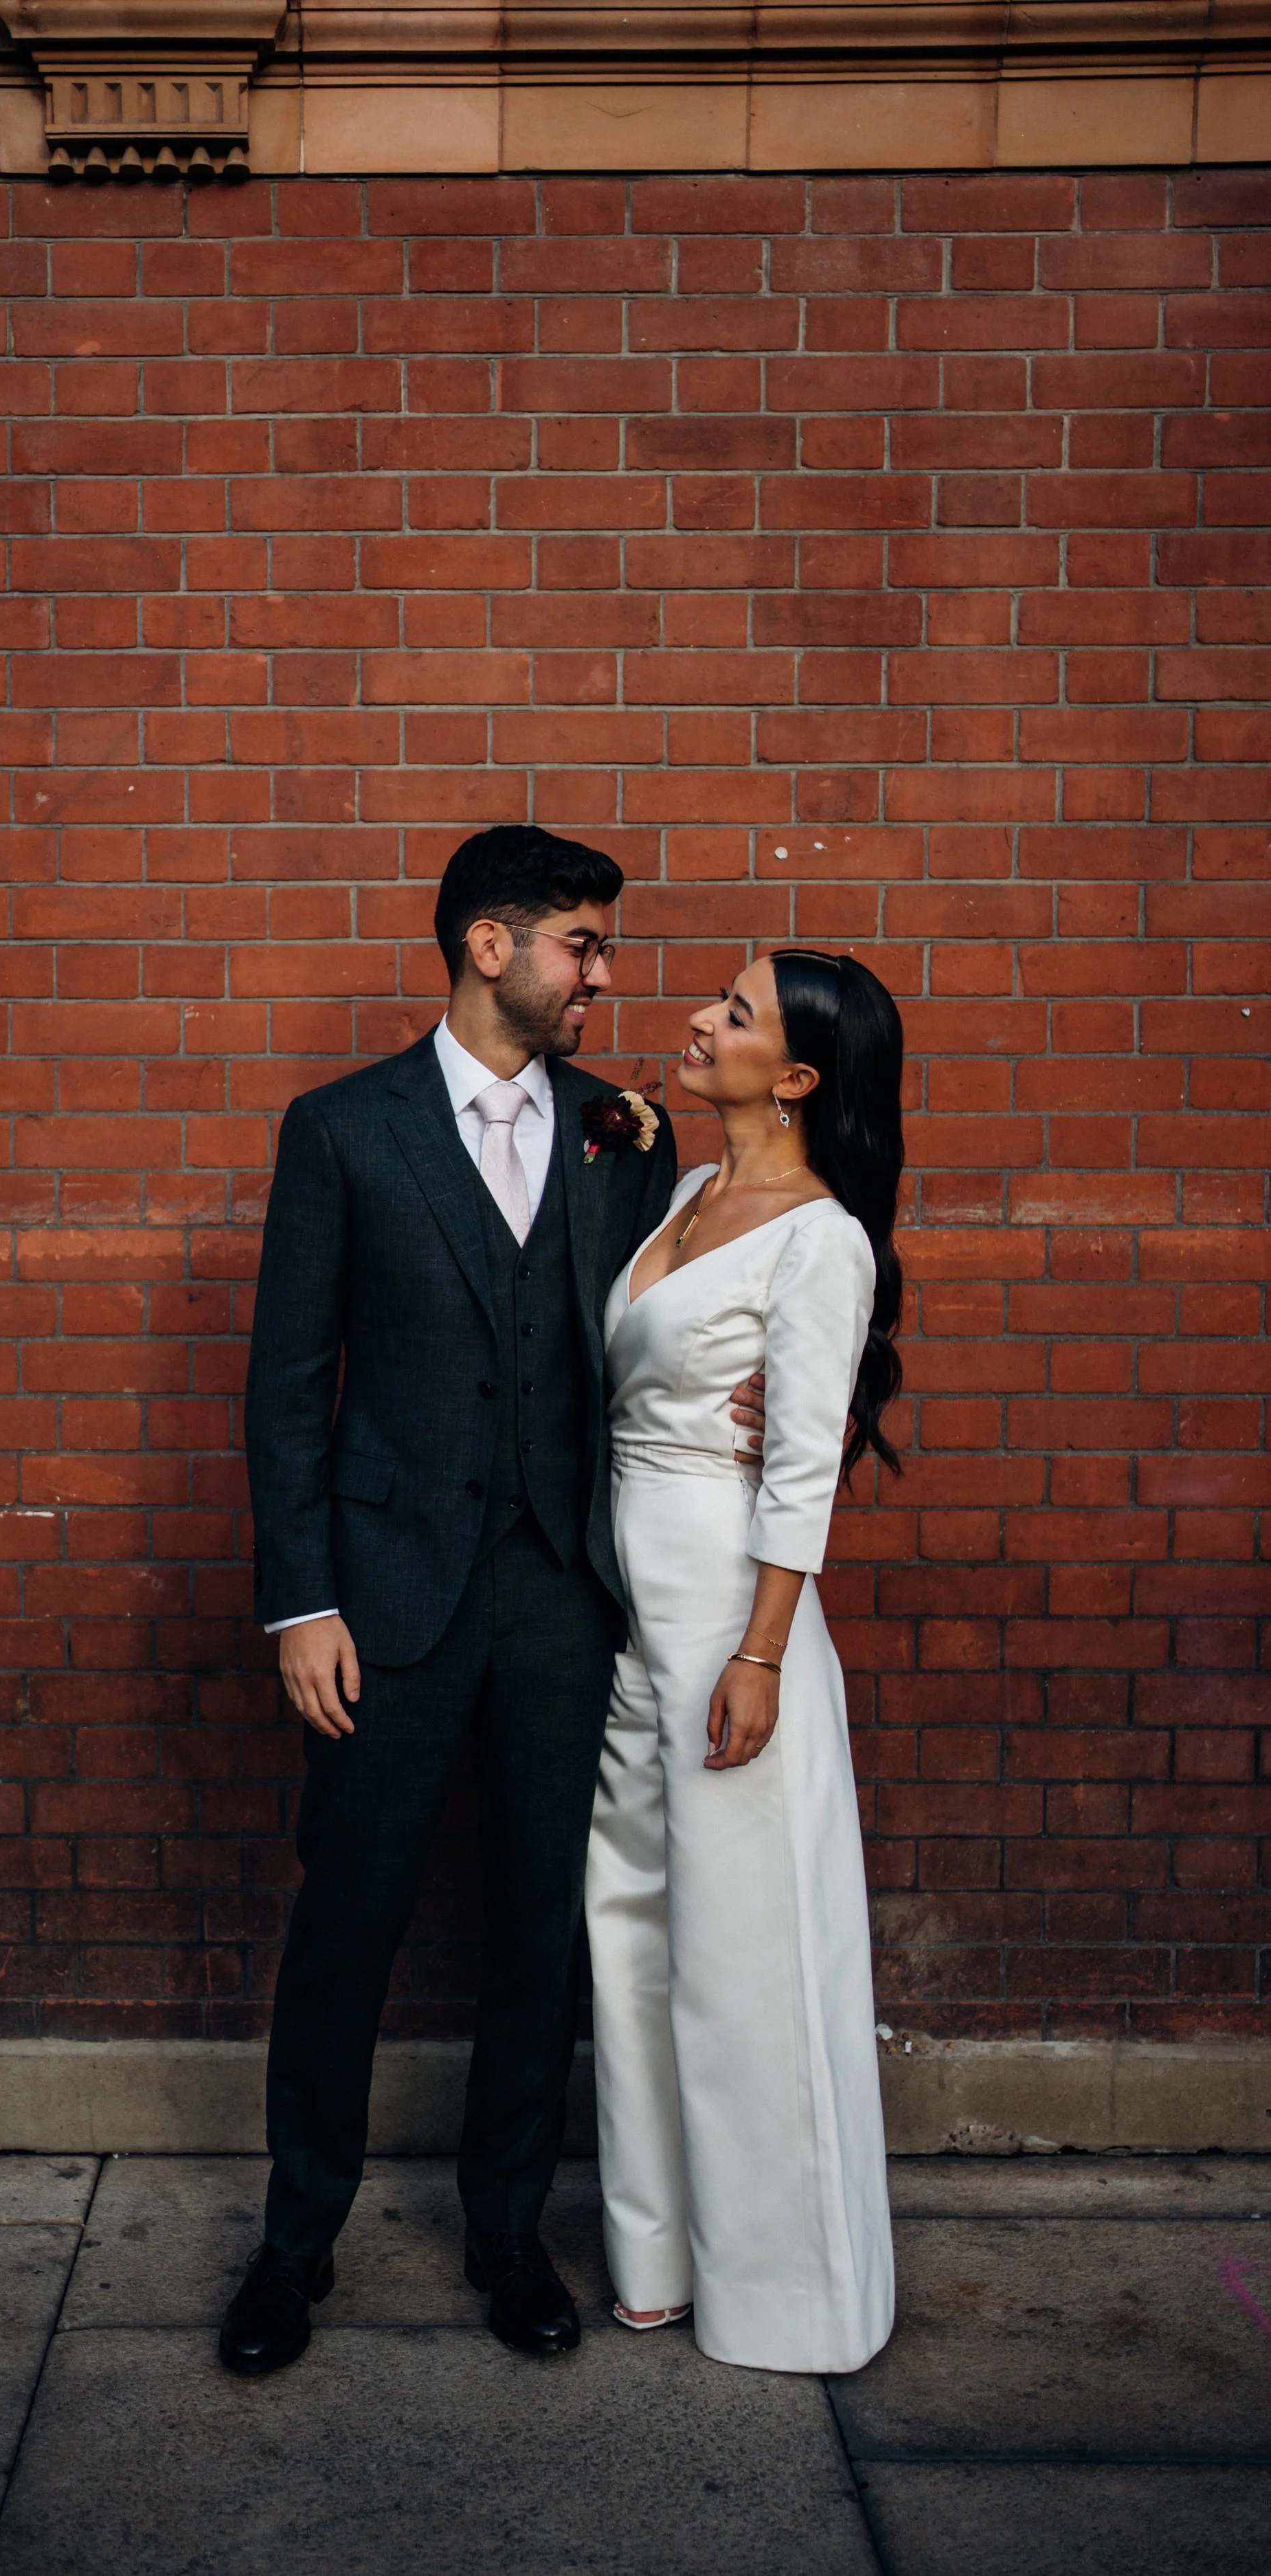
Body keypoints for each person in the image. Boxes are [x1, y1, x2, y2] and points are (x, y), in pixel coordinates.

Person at [222, 824, 767, 2377]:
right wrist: (299, 1603)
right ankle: (293, 2247)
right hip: (382, 1601)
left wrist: (740, 1399)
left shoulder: (626, 1130)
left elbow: (690, 1306)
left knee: (544, 1931)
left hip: (560, 1598)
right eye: (580, 944)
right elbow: (284, 1391)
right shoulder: (339, 1131)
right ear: (487, 946)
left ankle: (507, 2232)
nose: (602, 972)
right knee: (349, 1926)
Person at [586, 947, 901, 2375]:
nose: (695, 1022)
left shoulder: (818, 1238)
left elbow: (797, 1472)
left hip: (728, 1616)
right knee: (632, 1935)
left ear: (793, 1079)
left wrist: (762, 1654)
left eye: (732, 1014)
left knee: (742, 1963)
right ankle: (654, 2257)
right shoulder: (683, 1193)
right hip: (629, 1610)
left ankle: (788, 2293)